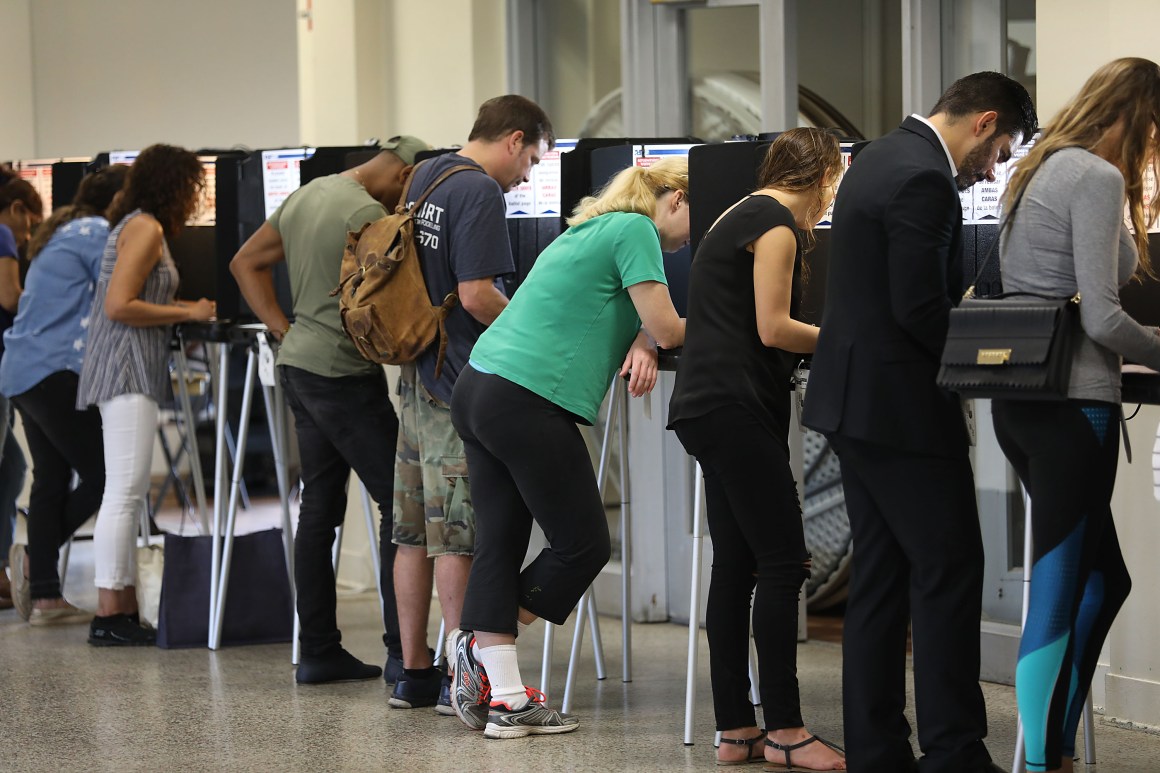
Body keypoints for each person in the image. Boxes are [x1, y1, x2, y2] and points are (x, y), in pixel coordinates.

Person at [801, 72, 1037, 773]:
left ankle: (878, 750)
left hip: (854, 403)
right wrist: (996, 361)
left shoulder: (877, 157)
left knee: (882, 574)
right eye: (1000, 153)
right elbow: (918, 309)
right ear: (984, 121)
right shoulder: (924, 179)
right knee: (950, 566)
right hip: (900, 409)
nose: (991, 169)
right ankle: (955, 750)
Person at [448, 157, 688, 738]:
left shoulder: (588, 229)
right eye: (694, 221)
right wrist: (746, 322)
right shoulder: (638, 230)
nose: (689, 240)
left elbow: (615, 309)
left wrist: (641, 338)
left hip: (479, 387)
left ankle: (503, 697)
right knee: (582, 545)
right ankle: (479, 648)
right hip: (528, 398)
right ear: (675, 199)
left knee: (500, 541)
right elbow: (670, 328)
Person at [992, 57, 1160, 773]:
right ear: (1135, 113)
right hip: (1073, 407)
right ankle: (1041, 762)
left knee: (1102, 582)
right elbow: (1101, 313)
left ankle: (1055, 748)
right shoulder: (1093, 177)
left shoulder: (1037, 166)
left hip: (1024, 401)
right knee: (1060, 594)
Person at [667, 128, 846, 771]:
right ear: (824, 180)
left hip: (707, 407)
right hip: (734, 409)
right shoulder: (774, 225)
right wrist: (848, 341)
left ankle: (736, 729)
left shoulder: (734, 215)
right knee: (782, 562)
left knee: (737, 566)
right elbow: (774, 327)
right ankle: (788, 733)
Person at [231, 136, 430, 684]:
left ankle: (318, 650)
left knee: (318, 510)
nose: (402, 205)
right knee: (400, 506)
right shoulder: (369, 214)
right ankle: (403, 654)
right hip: (342, 375)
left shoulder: (309, 192)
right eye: (407, 190)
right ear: (403, 172)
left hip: (297, 365)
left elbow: (244, 263)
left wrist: (283, 328)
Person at [388, 95, 554, 713]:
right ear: (513, 139)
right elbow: (478, 294)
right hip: (457, 380)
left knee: (411, 532)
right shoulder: (479, 190)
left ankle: (415, 675)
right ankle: (466, 684)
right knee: (458, 536)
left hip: (414, 373)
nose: (529, 176)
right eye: (532, 159)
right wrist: (528, 338)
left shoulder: (427, 172)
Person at [77, 144, 215, 646]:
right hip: (126, 367)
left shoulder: (137, 222)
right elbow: (119, 305)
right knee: (125, 492)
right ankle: (110, 613)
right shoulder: (146, 228)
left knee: (125, 492)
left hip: (127, 366)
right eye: (193, 186)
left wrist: (181, 306)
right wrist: (189, 313)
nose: (197, 195)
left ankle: (121, 607)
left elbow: (135, 298)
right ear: (173, 184)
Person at [1, 165, 128, 625]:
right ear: (117, 202)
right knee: (106, 475)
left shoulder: (64, 231)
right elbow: (122, 290)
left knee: (51, 480)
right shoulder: (96, 231)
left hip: (23, 369)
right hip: (52, 371)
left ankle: (46, 598)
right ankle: (36, 561)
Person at [0, 167, 41, 613]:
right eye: (29, 223)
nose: (29, 237)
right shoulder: (1, 234)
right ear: (15, 209)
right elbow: (10, 298)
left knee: (11, 468)